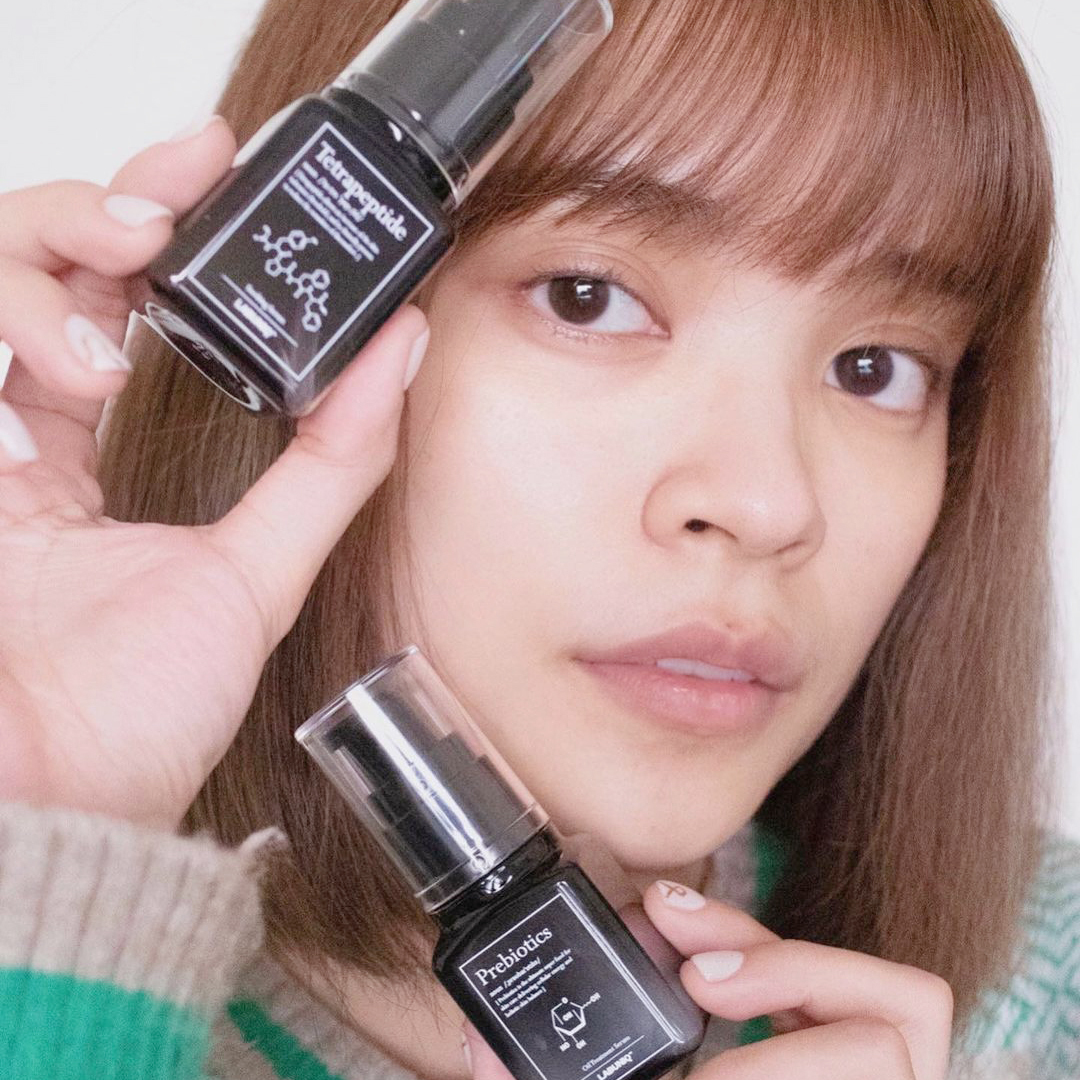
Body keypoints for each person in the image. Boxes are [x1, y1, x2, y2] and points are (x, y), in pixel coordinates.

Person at [0, 0, 1076, 1077]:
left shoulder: (1047, 988)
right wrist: (42, 843)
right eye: (588, 297)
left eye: (876, 368)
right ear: (308, 317)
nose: (769, 504)